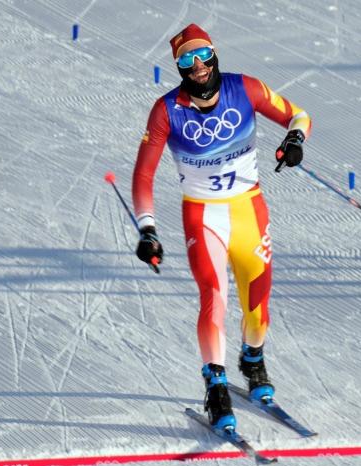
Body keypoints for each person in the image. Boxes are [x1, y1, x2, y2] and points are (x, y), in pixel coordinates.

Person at [131, 23, 311, 431]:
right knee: (214, 294)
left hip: (249, 209)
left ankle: (252, 358)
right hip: (203, 214)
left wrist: (295, 139)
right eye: (186, 60)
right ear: (178, 67)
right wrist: (147, 229)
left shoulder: (245, 89)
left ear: (214, 55)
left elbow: (298, 114)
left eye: (202, 55)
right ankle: (215, 384)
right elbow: (144, 175)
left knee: (258, 301)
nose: (197, 67)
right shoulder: (167, 110)